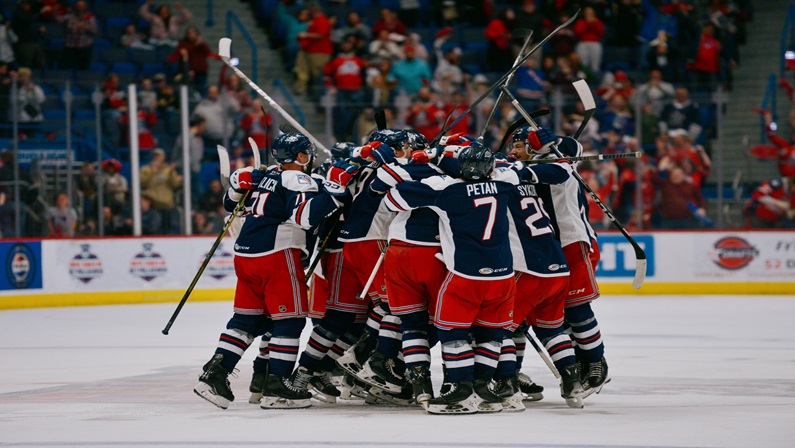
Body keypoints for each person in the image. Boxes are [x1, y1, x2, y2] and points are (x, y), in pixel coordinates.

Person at [383, 142, 571, 414]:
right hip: (504, 278)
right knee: (491, 334)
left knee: (452, 333)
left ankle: (461, 391)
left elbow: (392, 199)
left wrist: (424, 166)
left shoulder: (447, 189)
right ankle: (484, 389)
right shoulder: (504, 181)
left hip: (465, 277)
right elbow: (561, 171)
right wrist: (517, 165)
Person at [194, 132, 358, 410]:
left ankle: (213, 375)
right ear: (302, 157)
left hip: (245, 254)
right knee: (290, 321)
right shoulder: (298, 178)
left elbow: (232, 205)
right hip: (276, 254)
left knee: (245, 321)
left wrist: (234, 187)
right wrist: (335, 192)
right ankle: (277, 386)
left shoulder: (266, 175)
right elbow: (304, 217)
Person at [515, 127, 610, 399]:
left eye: (519, 145)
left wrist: (553, 141)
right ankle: (571, 362)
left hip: (572, 241)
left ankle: (594, 362)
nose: (513, 150)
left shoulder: (560, 160)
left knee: (577, 308)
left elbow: (573, 149)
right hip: (543, 249)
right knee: (545, 315)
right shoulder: (518, 166)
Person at [323, 37, 366, 142]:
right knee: (342, 117)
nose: (346, 46)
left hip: (356, 91)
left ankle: (354, 140)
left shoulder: (359, 61)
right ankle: (343, 140)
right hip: (341, 91)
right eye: (345, 43)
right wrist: (331, 86)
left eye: (349, 43)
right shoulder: (335, 61)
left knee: (354, 118)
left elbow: (364, 77)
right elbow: (327, 76)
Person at [294, 3, 333, 96]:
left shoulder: (322, 20)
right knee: (302, 69)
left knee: (317, 74)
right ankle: (301, 88)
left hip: (320, 52)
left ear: (313, 10)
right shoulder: (314, 21)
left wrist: (305, 35)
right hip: (309, 50)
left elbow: (320, 35)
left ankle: (318, 93)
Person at [140, 148, 182, 233]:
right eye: (155, 156)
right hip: (153, 205)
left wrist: (171, 173)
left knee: (168, 229)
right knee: (155, 229)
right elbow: (141, 183)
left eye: (159, 156)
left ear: (164, 157)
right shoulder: (146, 169)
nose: (156, 158)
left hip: (167, 205)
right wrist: (153, 172)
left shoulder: (168, 169)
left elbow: (175, 185)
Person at [167, 26, 214, 93]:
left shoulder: (202, 44)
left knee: (202, 89)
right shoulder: (183, 43)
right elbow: (185, 53)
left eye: (193, 33)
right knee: (190, 90)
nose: (191, 34)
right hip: (189, 72)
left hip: (202, 71)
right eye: (189, 33)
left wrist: (200, 44)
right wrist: (195, 45)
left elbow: (208, 53)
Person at [56, 0, 97, 70]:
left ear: (85, 6)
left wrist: (85, 26)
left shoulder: (90, 17)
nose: (80, 8)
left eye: (82, 6)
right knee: (65, 67)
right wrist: (57, 10)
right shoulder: (70, 16)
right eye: (78, 6)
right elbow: (59, 20)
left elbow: (94, 30)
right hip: (70, 46)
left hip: (84, 46)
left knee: (83, 68)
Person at [573, 7, 605, 73]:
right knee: (583, 64)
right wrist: (587, 23)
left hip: (595, 43)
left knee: (595, 64)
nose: (589, 15)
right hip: (583, 43)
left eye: (590, 13)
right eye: (587, 13)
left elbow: (601, 33)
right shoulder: (581, 22)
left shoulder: (598, 22)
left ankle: (594, 78)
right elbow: (577, 32)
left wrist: (594, 23)